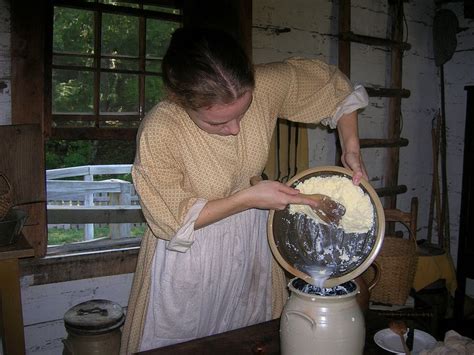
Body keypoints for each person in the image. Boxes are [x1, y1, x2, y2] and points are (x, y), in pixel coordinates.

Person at [120, 27, 369, 354]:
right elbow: (173, 220)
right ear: (181, 101)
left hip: (248, 248)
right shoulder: (161, 129)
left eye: (243, 112)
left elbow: (331, 88)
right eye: (217, 123)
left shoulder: (265, 85)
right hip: (189, 256)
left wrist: (351, 146)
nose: (235, 129)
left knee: (249, 340)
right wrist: (247, 198)